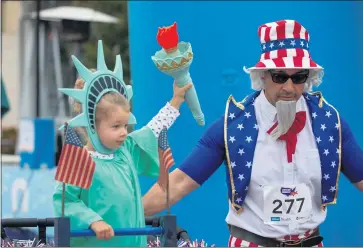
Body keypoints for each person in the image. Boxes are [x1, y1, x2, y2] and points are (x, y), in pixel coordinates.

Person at [142, 20, 363, 247]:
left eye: (298, 77)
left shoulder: (329, 121)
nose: (289, 87)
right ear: (263, 76)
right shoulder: (233, 125)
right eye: (279, 76)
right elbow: (178, 183)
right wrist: (124, 214)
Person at [53, 41, 192, 247]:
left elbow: (152, 130)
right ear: (93, 125)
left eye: (125, 125)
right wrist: (94, 221)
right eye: (116, 126)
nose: (123, 132)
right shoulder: (80, 161)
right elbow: (65, 202)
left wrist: (176, 101)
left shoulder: (125, 150)